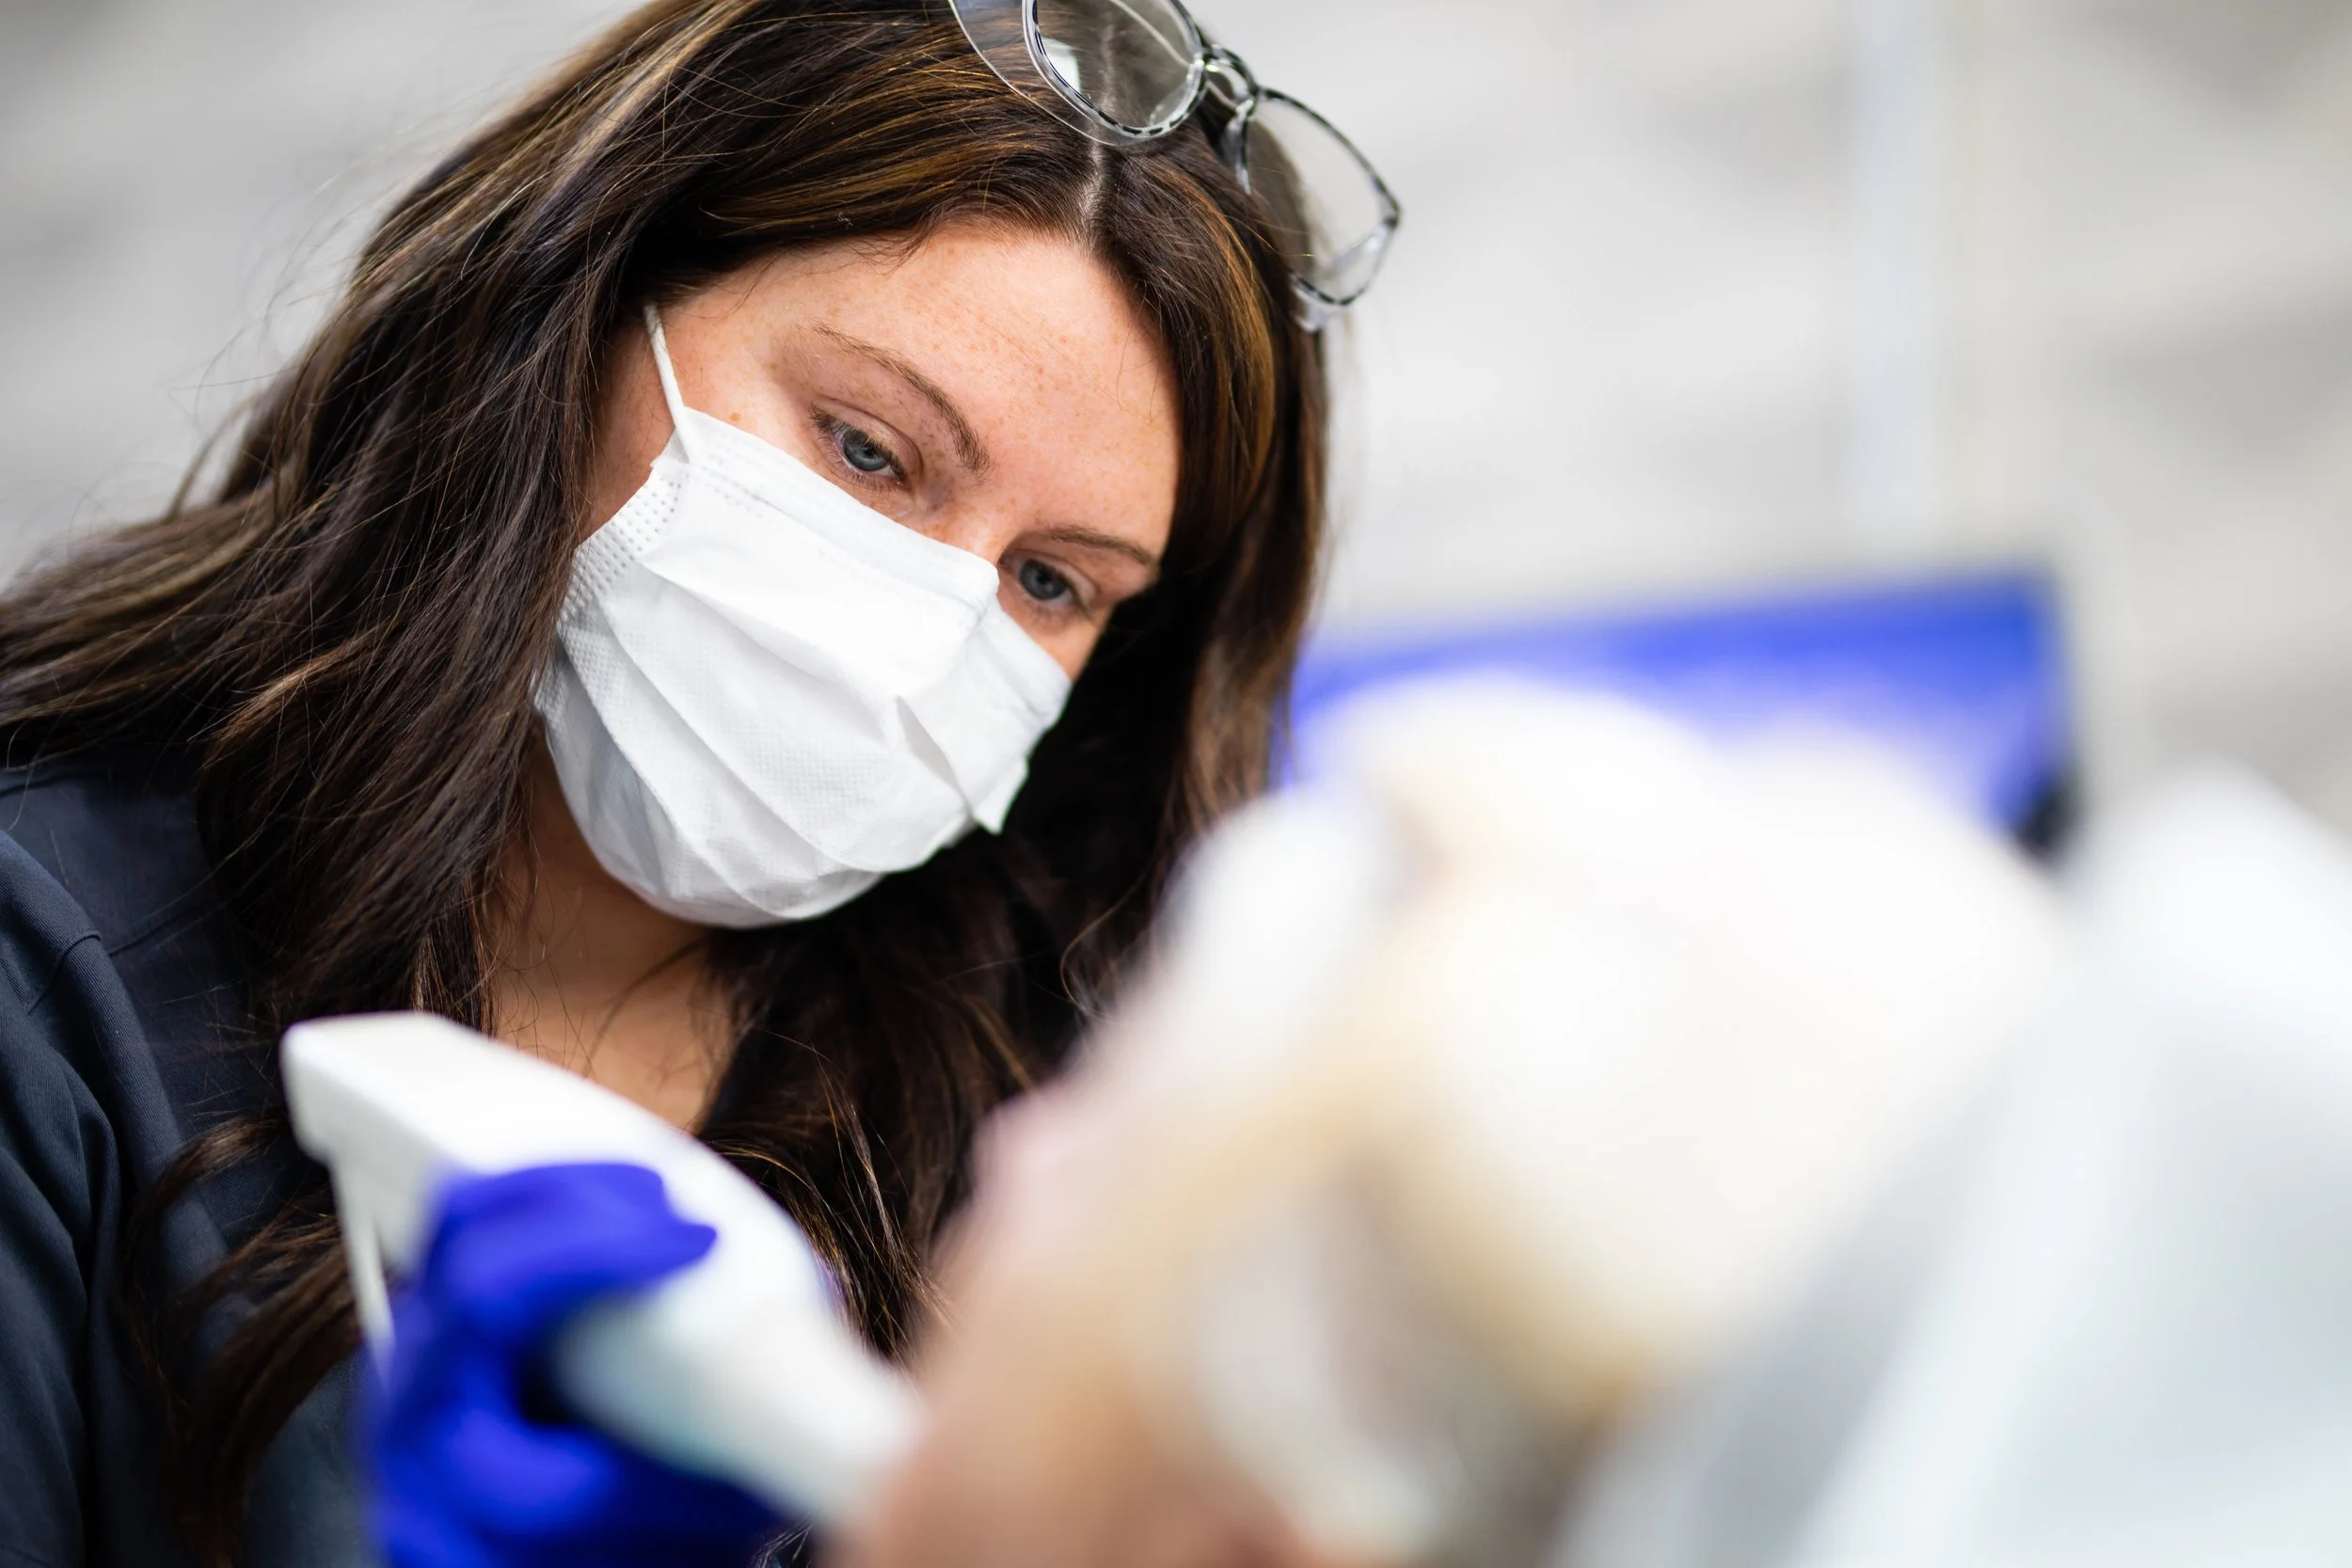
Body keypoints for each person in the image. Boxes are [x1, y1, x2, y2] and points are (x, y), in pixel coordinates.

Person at [0, 1, 1395, 1563]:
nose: (926, 641)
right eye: (870, 451)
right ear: (581, 307)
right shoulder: (52, 974)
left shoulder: (1065, 1113)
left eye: (1053, 581)